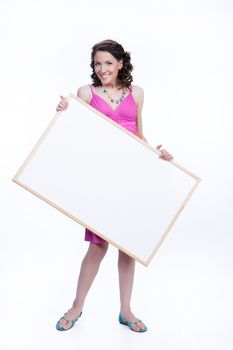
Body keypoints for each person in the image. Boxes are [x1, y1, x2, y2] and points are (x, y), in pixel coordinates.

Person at [55, 39, 173, 333]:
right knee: (98, 246)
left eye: (108, 62)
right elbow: (69, 131)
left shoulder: (138, 93)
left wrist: (159, 155)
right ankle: (76, 306)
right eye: (97, 63)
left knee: (127, 249)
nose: (102, 68)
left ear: (121, 63)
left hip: (132, 180)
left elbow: (139, 135)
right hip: (101, 180)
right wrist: (62, 110)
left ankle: (126, 311)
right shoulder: (86, 93)